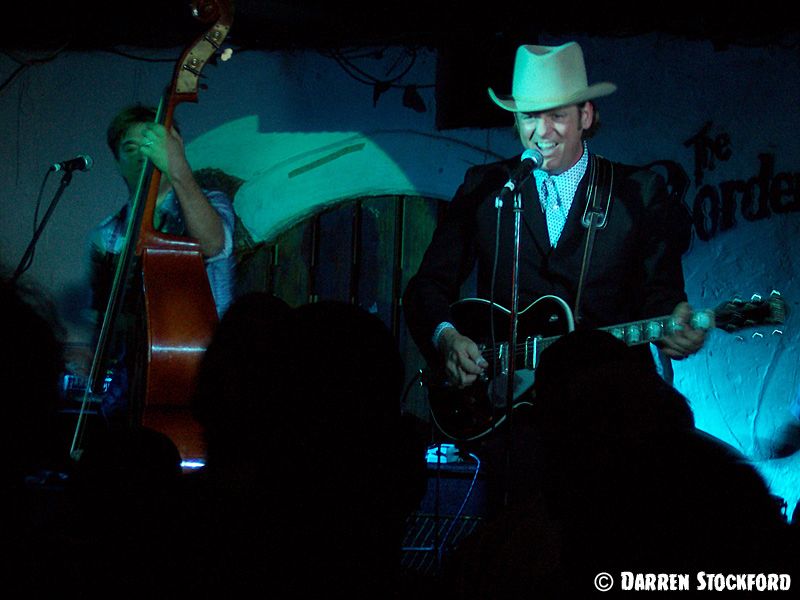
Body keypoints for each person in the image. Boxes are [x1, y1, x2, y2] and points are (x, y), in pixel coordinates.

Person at [86, 104, 237, 424]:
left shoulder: (213, 203)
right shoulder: (107, 234)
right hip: (134, 380)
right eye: (130, 147)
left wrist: (179, 168)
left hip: (205, 373)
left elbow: (213, 245)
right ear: (118, 162)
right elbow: (105, 321)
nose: (144, 154)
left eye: (152, 144)